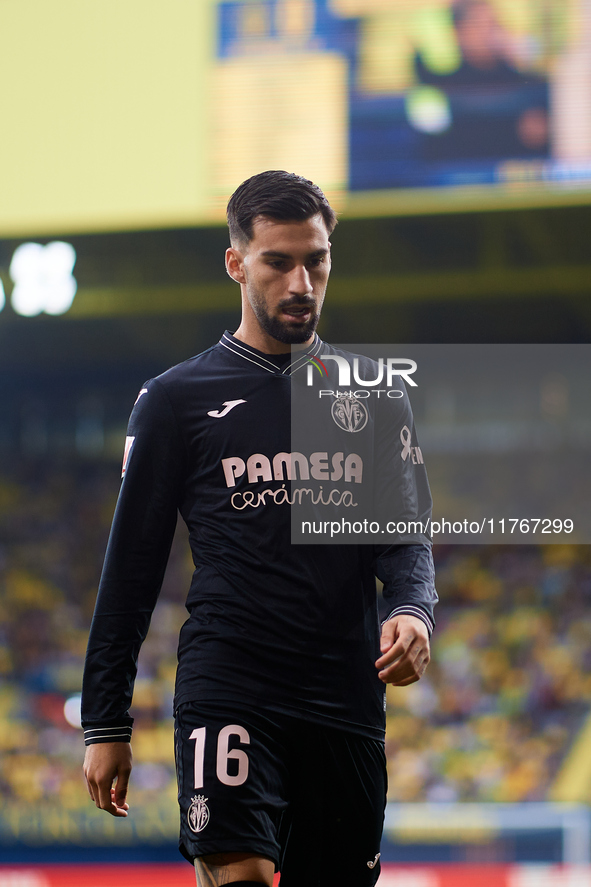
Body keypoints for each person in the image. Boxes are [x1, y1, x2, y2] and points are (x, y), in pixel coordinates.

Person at [81, 170, 437, 887]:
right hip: (230, 682)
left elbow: (403, 537)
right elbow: (132, 569)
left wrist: (411, 608)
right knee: (238, 875)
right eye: (278, 261)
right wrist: (105, 720)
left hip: (344, 694)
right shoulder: (175, 400)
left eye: (317, 259)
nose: (301, 281)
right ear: (237, 263)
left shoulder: (375, 398)